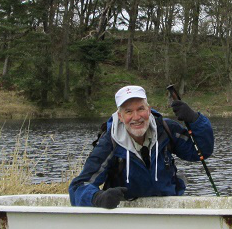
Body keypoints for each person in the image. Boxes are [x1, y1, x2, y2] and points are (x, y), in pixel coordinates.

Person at [69, 85, 214, 208]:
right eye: (128, 111)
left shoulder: (166, 129)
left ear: (149, 110)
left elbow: (201, 152)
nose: (136, 117)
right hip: (130, 214)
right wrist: (98, 198)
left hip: (170, 207)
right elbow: (78, 187)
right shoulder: (109, 143)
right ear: (120, 116)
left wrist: (195, 120)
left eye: (140, 109)